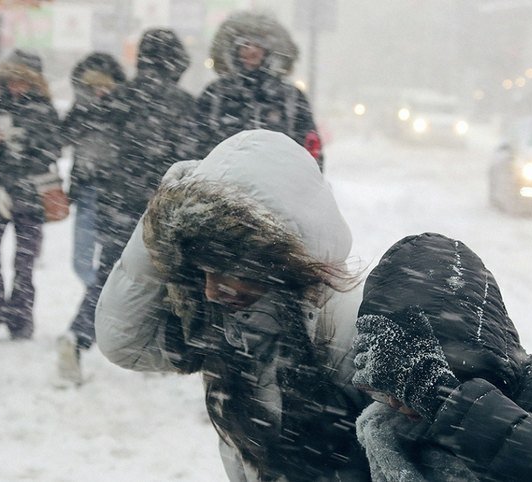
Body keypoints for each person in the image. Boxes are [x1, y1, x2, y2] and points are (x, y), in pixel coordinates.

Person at [95, 129, 371, 481]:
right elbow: (124, 342)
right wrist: (163, 219)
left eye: (229, 269)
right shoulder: (225, 324)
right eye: (202, 271)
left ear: (281, 260)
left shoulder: (348, 323)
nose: (211, 290)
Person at [351, 232, 532, 481]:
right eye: (386, 389)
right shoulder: (386, 428)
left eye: (409, 382)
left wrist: (446, 400)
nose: (395, 402)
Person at [56, 29, 196, 384]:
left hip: (117, 203)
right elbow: (195, 159)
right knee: (169, 278)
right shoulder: (183, 104)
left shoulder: (118, 98)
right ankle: (161, 349)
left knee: (110, 275)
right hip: (164, 206)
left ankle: (77, 336)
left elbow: (90, 145)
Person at [0, 49, 61, 340]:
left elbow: (51, 150)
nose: (15, 86)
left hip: (29, 196)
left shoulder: (44, 109)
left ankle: (20, 320)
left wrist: (23, 143)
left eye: (21, 80)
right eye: (11, 79)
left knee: (24, 261)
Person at [197, 11, 324, 170]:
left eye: (258, 45)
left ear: (268, 50)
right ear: (234, 50)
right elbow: (197, 143)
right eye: (245, 45)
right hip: (222, 188)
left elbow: (310, 148)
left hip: (277, 185)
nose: (252, 51)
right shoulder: (215, 95)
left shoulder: (290, 97)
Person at [61, 53, 127, 289]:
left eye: (105, 86)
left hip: (116, 191)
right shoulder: (80, 112)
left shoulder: (123, 112)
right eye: (94, 86)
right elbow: (61, 137)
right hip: (86, 189)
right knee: (81, 260)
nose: (100, 91)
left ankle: (96, 302)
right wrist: (84, 110)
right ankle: (96, 295)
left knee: (114, 256)